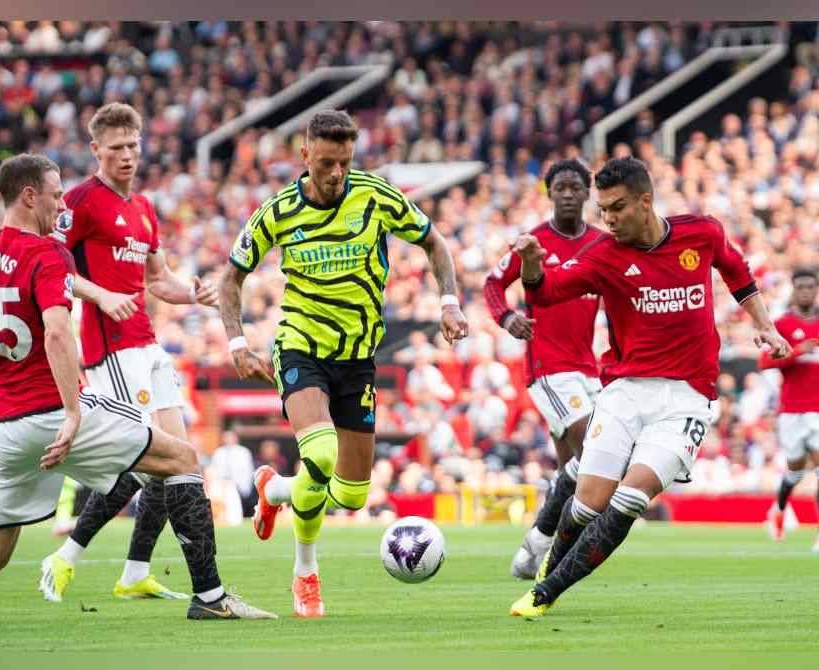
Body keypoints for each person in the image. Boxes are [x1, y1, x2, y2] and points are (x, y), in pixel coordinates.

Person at [0, 154, 275, 627]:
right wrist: (73, 412)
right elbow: (58, 333)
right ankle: (210, 596)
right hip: (54, 414)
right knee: (180, 459)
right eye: (56, 194)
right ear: (28, 195)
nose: (61, 203)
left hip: (5, 431)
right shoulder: (48, 254)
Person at [508, 157, 790, 618]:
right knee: (586, 504)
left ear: (645, 201)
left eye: (617, 207)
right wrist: (532, 267)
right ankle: (548, 570)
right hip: (624, 392)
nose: (609, 219)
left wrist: (765, 325)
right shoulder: (604, 255)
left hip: (686, 399)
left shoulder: (702, 234)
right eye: (603, 210)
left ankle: (545, 593)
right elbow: (549, 293)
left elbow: (737, 272)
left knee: (631, 498)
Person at [218, 109, 468, 618]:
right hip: (301, 347)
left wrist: (448, 301)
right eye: (326, 162)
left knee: (352, 495)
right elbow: (231, 278)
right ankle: (305, 572)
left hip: (358, 358)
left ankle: (275, 488)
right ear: (305, 154)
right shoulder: (278, 211)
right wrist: (237, 342)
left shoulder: (376, 196)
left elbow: (433, 242)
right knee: (323, 454)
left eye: (344, 163)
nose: (335, 174)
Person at [40, 102, 217, 603]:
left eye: (132, 146)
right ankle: (67, 555)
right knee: (151, 461)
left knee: (178, 462)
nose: (126, 155)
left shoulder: (143, 208)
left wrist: (194, 291)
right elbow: (50, 268)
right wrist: (100, 294)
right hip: (110, 350)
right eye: (115, 147)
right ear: (96, 149)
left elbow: (159, 279)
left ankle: (136, 571)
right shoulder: (79, 202)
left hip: (147, 344)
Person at [484, 159, 603, 579]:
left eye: (575, 187)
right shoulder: (532, 242)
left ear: (588, 194)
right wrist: (507, 318)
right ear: (549, 193)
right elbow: (493, 284)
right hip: (548, 367)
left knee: (577, 468)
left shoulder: (602, 244)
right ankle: (546, 550)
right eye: (560, 187)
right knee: (597, 450)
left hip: (591, 368)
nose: (568, 194)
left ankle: (536, 548)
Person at [761, 268, 819, 550]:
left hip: (818, 410)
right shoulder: (782, 325)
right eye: (801, 286)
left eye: (811, 286)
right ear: (794, 291)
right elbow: (764, 362)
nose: (806, 291)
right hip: (791, 411)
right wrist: (797, 351)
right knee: (795, 471)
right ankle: (780, 509)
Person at [211, 431, 257, 518]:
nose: (228, 440)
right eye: (226, 437)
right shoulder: (218, 452)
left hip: (239, 484)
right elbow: (214, 471)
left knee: (232, 493)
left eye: (230, 437)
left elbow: (248, 471)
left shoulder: (244, 452)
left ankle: (235, 517)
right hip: (221, 484)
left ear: (236, 439)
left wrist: (238, 484)